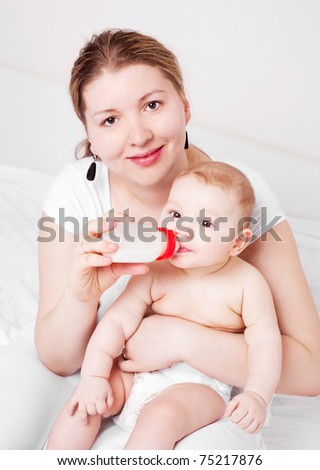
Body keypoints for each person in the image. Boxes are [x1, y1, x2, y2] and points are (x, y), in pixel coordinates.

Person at [0, 28, 319, 450]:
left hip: (202, 387)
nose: (139, 136)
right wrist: (81, 298)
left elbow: (311, 370)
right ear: (89, 134)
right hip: (95, 366)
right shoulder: (77, 193)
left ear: (184, 106)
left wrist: (180, 340)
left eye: (152, 105)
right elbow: (59, 360)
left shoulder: (242, 200)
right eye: (110, 119)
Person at [46, 161, 282, 450]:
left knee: (162, 416)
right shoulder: (157, 269)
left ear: (236, 243)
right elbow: (116, 323)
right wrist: (94, 378)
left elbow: (266, 344)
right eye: (176, 214)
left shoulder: (247, 283)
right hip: (135, 375)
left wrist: (257, 395)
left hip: (200, 388)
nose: (182, 229)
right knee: (82, 405)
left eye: (206, 223)